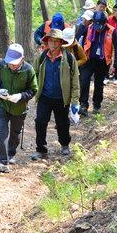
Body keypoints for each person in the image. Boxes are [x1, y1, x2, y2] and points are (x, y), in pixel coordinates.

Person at [31, 28, 80, 160]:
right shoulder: (42, 57)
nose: (53, 44)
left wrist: (75, 101)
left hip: (62, 97)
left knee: (62, 123)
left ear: (60, 43)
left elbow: (75, 80)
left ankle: (64, 144)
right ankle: (41, 149)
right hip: (45, 96)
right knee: (40, 121)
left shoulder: (69, 58)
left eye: (56, 41)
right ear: (47, 42)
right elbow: (33, 74)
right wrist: (31, 91)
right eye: (50, 41)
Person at [0, 43, 38, 173]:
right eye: (10, 63)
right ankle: (2, 162)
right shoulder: (1, 66)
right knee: (2, 131)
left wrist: (21, 96)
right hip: (2, 105)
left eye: (15, 63)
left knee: (15, 132)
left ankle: (11, 153)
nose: (12, 66)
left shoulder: (28, 70)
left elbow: (33, 89)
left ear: (22, 59)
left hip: (19, 108)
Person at [79, 11, 117, 115]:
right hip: (88, 60)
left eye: (100, 26)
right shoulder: (89, 28)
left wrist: (114, 65)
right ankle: (83, 104)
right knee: (84, 81)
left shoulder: (111, 31)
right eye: (96, 25)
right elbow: (81, 43)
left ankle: (96, 105)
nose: (98, 28)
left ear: (105, 23)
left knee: (99, 84)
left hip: (102, 62)